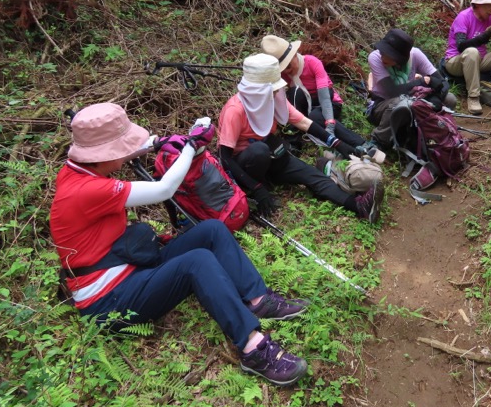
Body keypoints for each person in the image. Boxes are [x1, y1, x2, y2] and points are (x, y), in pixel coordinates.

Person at [50, 103, 309, 387]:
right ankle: (253, 349)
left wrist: (163, 142)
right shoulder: (87, 191)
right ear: (103, 154)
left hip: (130, 270)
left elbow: (127, 152)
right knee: (196, 262)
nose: (124, 154)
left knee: (211, 229)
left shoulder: (80, 171)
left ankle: (258, 299)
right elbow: (164, 189)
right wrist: (191, 146)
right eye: (121, 147)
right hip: (109, 302)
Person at [217, 53, 384, 224]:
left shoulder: (273, 98)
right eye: (273, 89)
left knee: (313, 175)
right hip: (246, 164)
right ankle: (260, 185)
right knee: (259, 151)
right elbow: (225, 158)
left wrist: (338, 143)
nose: (276, 92)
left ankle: (359, 207)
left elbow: (304, 122)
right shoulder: (235, 110)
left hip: (271, 154)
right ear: (259, 90)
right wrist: (256, 188)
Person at [260, 34, 374, 152]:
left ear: (294, 54)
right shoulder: (283, 75)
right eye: (283, 68)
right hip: (305, 105)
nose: (287, 71)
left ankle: (360, 144)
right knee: (295, 92)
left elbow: (324, 96)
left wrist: (330, 122)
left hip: (328, 102)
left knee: (315, 116)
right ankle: (294, 141)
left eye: (288, 66)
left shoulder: (312, 62)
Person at [367, 28, 454, 148]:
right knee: (403, 103)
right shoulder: (374, 58)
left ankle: (434, 133)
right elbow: (393, 91)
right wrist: (421, 82)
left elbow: (442, 83)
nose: (383, 57)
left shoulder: (415, 54)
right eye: (382, 52)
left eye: (387, 54)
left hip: (411, 100)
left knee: (450, 99)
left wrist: (436, 99)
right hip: (384, 105)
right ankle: (379, 140)